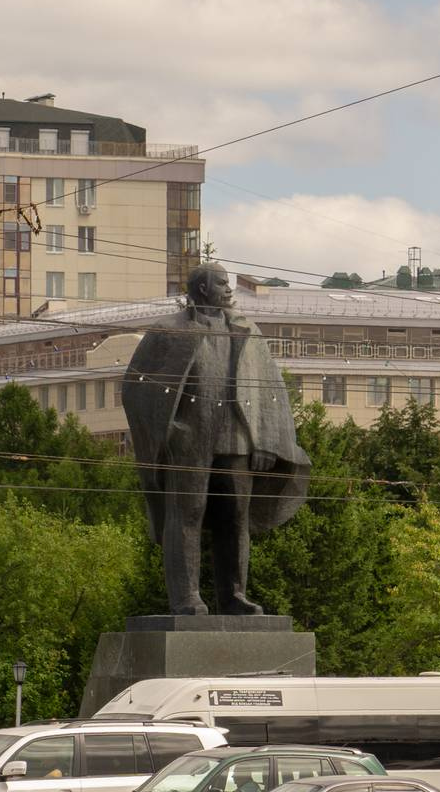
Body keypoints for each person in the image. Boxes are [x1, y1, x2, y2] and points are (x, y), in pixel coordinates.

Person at [122, 262, 311, 616]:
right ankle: (186, 597)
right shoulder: (168, 331)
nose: (229, 290)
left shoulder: (246, 331)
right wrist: (170, 430)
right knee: (187, 514)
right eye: (223, 284)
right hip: (189, 440)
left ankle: (234, 595)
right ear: (203, 289)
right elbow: (136, 387)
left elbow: (270, 391)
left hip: (237, 438)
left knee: (235, 516)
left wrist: (266, 440)